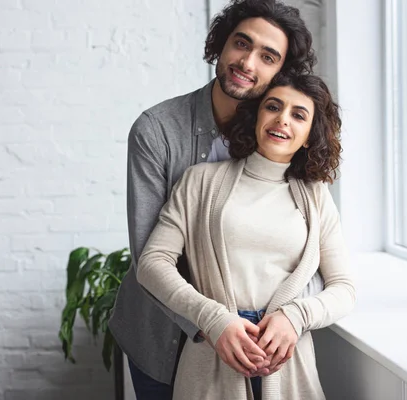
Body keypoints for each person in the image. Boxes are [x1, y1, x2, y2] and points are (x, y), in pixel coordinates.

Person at [108, 1, 320, 399]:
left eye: (268, 56)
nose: (247, 62)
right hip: (159, 337)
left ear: (281, 72)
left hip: (254, 341)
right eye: (241, 43)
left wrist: (291, 315)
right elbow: (149, 256)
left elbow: (308, 245)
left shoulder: (278, 139)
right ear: (221, 45)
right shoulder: (157, 130)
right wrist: (215, 322)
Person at [136, 72, 356, 400]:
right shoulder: (200, 181)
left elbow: (345, 288)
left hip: (287, 358)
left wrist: (296, 316)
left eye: (298, 115)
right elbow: (152, 263)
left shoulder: (316, 197)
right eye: (273, 107)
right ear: (256, 116)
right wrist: (211, 318)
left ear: (310, 135)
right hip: (213, 348)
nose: (282, 119)